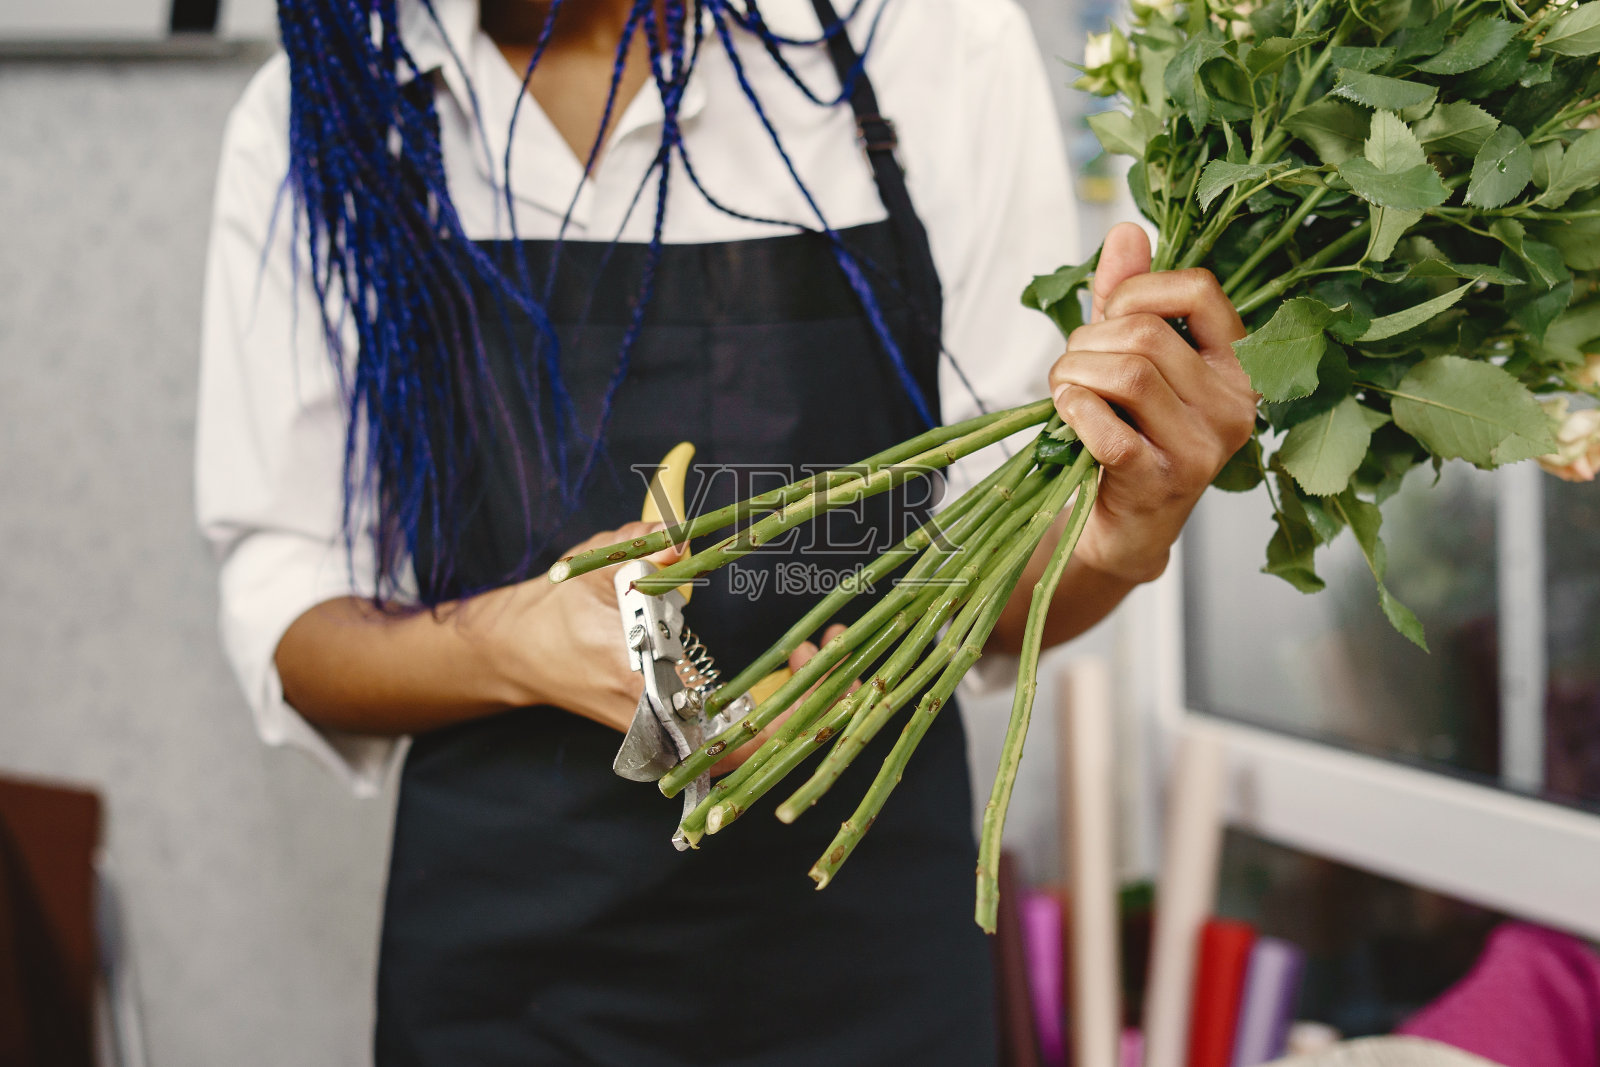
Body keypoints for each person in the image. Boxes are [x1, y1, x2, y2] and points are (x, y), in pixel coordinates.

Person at [195, 0, 1254, 1062]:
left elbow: (1013, 560)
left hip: (870, 968)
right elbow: (295, 618)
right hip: (508, 987)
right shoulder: (321, 118)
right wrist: (514, 641)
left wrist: (1122, 536)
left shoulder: (929, 39)